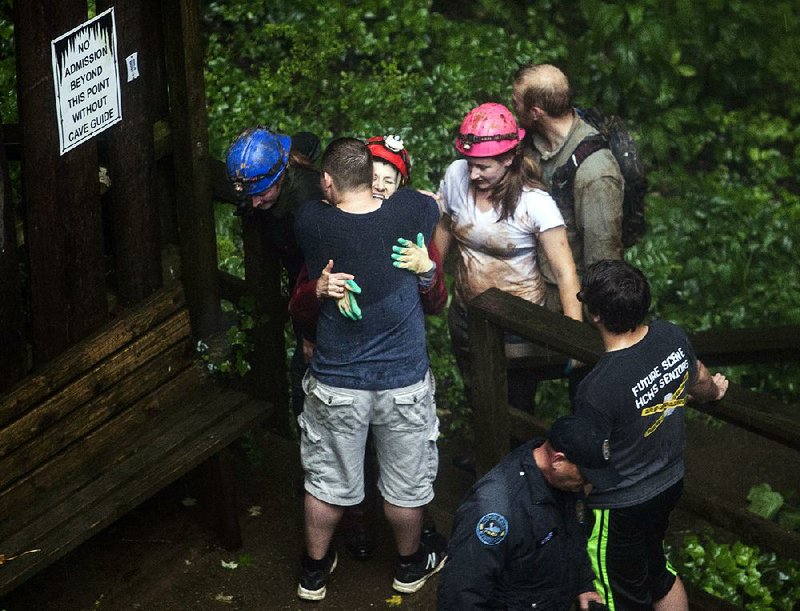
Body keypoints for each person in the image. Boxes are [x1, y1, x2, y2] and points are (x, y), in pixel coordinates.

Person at [292, 138, 446, 601]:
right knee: (406, 481)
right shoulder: (411, 216)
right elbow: (427, 201)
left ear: (327, 182)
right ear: (371, 179)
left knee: (326, 480)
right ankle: (408, 565)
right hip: (403, 379)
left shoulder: (312, 222)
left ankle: (313, 573)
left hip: (338, 380)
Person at [573, 260, 729, 610]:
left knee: (614, 595)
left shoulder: (596, 389)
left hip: (621, 505)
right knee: (657, 571)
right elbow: (699, 378)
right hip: (670, 482)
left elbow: (588, 464)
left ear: (595, 314)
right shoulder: (671, 336)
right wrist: (713, 394)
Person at [433, 102, 582, 446]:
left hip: (517, 325)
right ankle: (485, 454)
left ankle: (517, 468)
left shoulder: (534, 203)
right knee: (476, 390)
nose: (473, 175)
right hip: (467, 314)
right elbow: (445, 227)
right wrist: (431, 281)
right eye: (470, 164)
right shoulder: (457, 174)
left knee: (514, 402)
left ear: (509, 159)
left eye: (483, 167)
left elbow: (565, 271)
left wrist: (574, 338)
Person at [438, 414, 616, 610]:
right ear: (557, 460)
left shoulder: (567, 483)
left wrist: (584, 584)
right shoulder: (496, 510)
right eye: (586, 475)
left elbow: (572, 536)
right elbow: (459, 594)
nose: (588, 483)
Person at [225, 127, 322, 418]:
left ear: (281, 176)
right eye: (249, 194)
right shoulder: (282, 160)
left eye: (262, 192)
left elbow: (319, 276)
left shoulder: (306, 208)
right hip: (301, 289)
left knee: (306, 389)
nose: (256, 202)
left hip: (317, 298)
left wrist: (310, 336)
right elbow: (309, 139)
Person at [512, 64, 625, 314]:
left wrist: (591, 320)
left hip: (569, 298)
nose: (513, 108)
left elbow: (603, 259)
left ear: (535, 112)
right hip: (532, 285)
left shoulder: (595, 171)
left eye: (516, 103)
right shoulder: (531, 143)